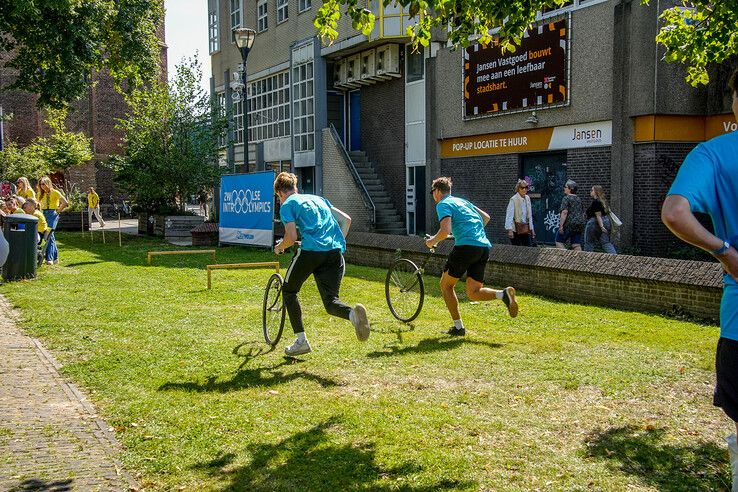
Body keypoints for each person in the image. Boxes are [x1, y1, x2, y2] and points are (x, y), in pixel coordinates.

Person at [661, 68, 738, 492]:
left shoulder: (713, 154)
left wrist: (724, 251)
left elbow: (674, 212)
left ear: (734, 102)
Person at [273, 172, 370, 356]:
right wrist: (336, 241)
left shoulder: (288, 205)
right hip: (334, 252)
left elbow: (291, 238)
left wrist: (279, 247)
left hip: (311, 252)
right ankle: (352, 315)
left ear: (280, 193)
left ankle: (301, 341)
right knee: (331, 302)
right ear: (295, 187)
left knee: (289, 291)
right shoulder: (318, 199)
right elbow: (346, 220)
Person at [425, 177, 518, 336]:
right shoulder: (463, 202)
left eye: (432, 191)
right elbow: (486, 218)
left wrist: (431, 241)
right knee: (473, 292)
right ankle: (503, 295)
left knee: (446, 286)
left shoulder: (443, 204)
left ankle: (458, 327)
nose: (432, 195)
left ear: (438, 191)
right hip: (483, 247)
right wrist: (469, 230)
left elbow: (445, 230)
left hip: (466, 247)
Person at [37, 176, 68, 265]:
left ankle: (49, 258)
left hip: (52, 214)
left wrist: (57, 212)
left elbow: (65, 203)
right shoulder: (40, 194)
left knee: (49, 235)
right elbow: (36, 203)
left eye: (43, 184)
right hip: (43, 214)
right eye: (40, 184)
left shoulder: (55, 192)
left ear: (48, 183)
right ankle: (55, 258)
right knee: (50, 236)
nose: (42, 186)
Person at [583, 185, 617, 254]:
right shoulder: (604, 201)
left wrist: (601, 227)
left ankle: (587, 259)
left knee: (589, 242)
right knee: (605, 242)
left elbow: (598, 216)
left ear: (596, 192)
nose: (590, 192)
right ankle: (615, 257)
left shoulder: (596, 202)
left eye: (592, 190)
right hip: (606, 221)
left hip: (594, 222)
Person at [555, 179, 585, 251]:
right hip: (579, 224)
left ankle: (565, 260)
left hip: (569, 224)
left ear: (570, 189)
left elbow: (564, 212)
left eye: (565, 187)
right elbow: (582, 213)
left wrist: (561, 226)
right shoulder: (578, 199)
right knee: (576, 244)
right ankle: (579, 260)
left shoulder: (566, 198)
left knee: (559, 241)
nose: (564, 188)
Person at [504, 179, 535, 246]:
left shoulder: (527, 198)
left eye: (526, 187)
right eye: (522, 188)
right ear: (518, 188)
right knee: (517, 249)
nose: (524, 189)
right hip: (516, 229)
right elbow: (509, 215)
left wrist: (532, 229)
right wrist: (510, 230)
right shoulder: (513, 199)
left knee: (528, 247)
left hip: (525, 228)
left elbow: (529, 215)